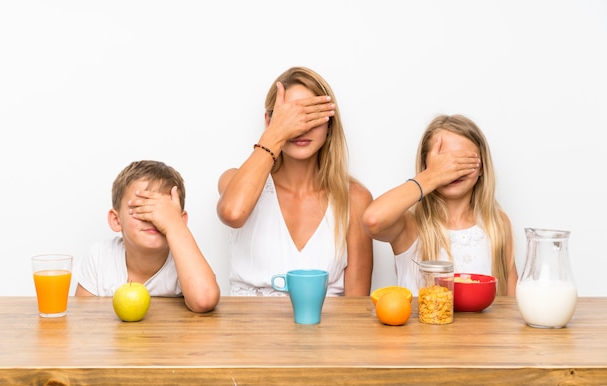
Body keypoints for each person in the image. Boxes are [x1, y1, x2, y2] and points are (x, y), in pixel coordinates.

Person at [217, 66, 373, 296]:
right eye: (290, 117)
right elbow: (233, 213)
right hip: (246, 330)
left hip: (326, 331)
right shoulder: (234, 180)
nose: (301, 127)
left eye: (312, 116)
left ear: (330, 124)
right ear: (269, 122)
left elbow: (357, 308)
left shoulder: (356, 199)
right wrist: (276, 133)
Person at [362, 114, 517, 296]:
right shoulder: (411, 226)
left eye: (463, 161)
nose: (452, 170)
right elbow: (373, 219)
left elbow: (513, 303)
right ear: (426, 166)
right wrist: (433, 176)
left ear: (482, 167)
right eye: (444, 162)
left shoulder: (496, 223)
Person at [76, 160, 220, 312]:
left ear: (181, 222)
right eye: (141, 208)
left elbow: (204, 300)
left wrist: (174, 226)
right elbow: (83, 319)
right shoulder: (100, 257)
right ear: (116, 220)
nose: (153, 219)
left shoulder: (188, 257)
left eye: (163, 212)